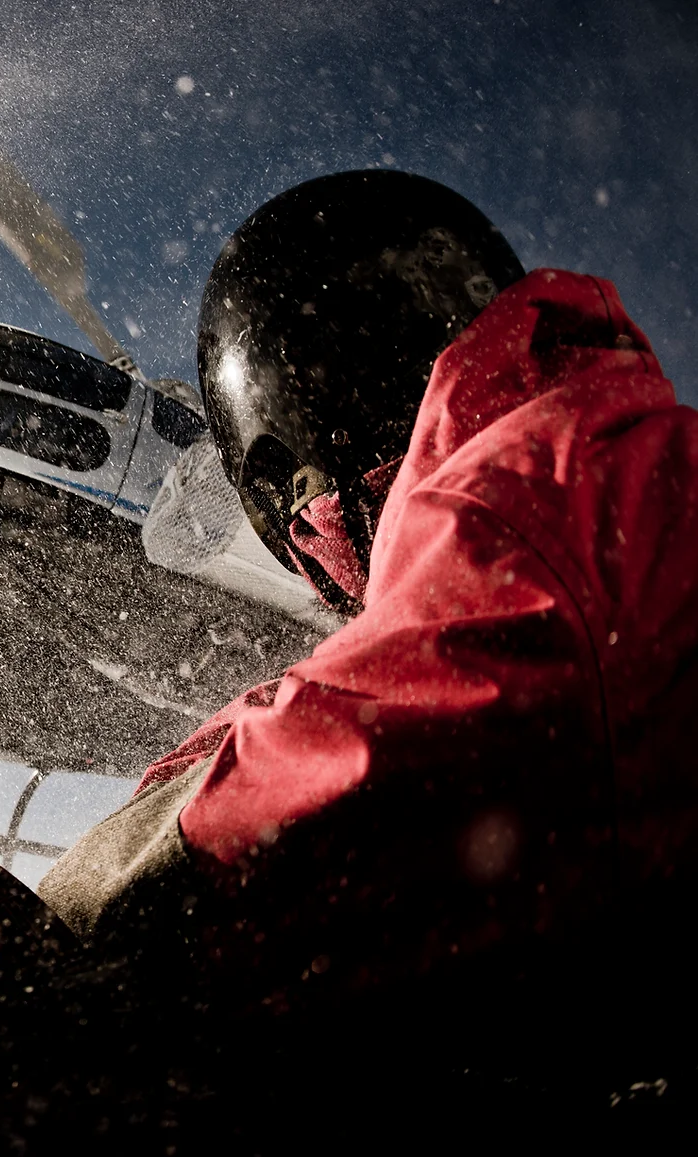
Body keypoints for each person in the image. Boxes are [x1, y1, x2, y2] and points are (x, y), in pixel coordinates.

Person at [39, 171, 698, 1079]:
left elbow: (396, 734)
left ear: (332, 409)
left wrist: (76, 914)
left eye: (294, 482)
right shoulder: (588, 453)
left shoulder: (538, 501)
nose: (301, 523)